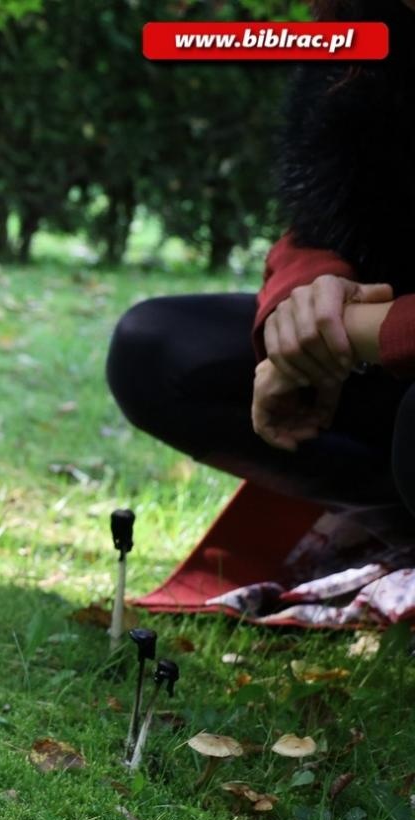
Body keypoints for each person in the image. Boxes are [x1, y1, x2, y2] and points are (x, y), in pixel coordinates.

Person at [107, 0, 415, 544]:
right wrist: (297, 304)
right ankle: (394, 523)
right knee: (154, 348)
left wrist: (346, 334)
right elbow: (315, 221)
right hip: (375, 353)